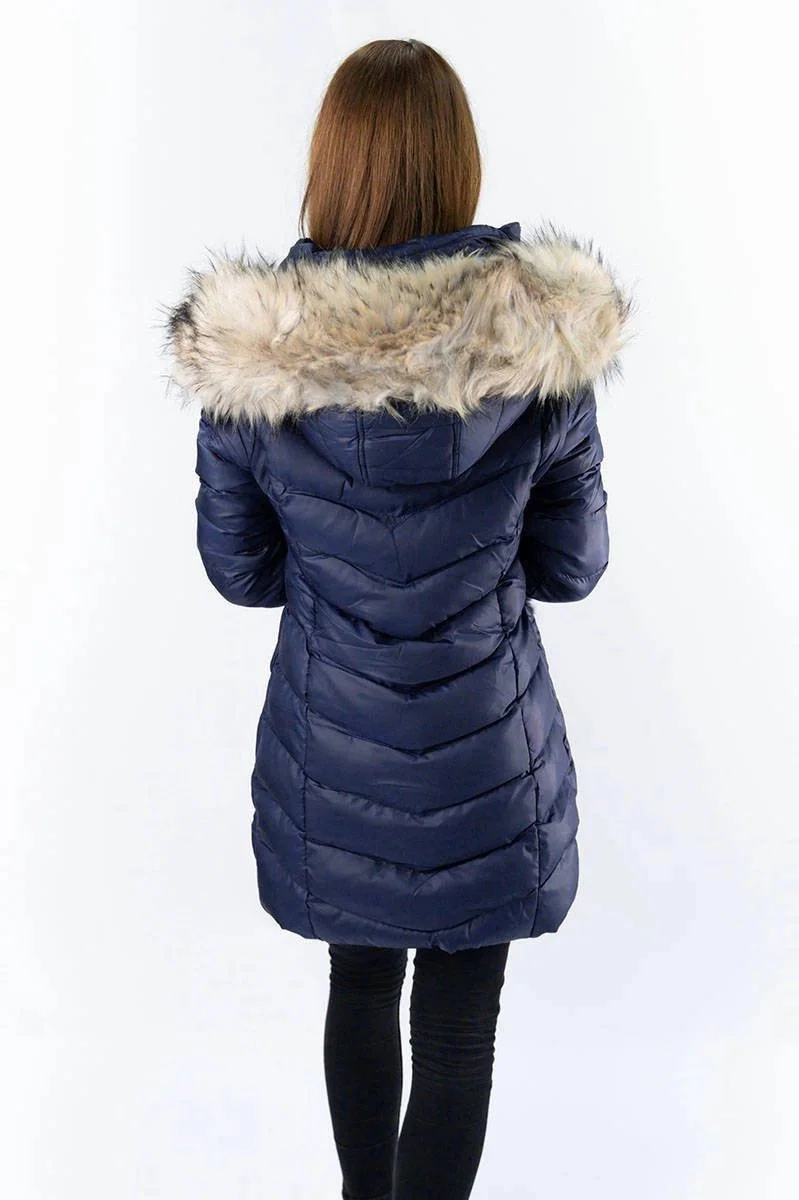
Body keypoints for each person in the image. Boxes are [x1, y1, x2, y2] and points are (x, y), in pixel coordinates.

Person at [163, 36, 634, 1200]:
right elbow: (574, 567)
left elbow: (238, 571)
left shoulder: (252, 359)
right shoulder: (543, 350)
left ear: (330, 167)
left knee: (360, 985)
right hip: (488, 754)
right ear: (457, 165)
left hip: (334, 748)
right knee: (460, 1030)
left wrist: (342, 573)